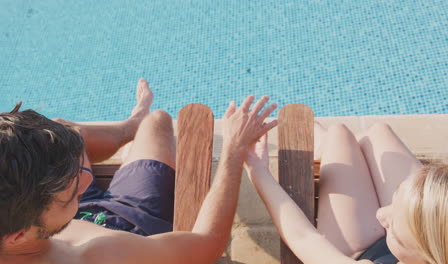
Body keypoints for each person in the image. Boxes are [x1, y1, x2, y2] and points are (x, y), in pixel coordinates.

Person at [0, 78, 278, 264]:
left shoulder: (19, 230)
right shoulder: (104, 254)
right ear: (19, 235)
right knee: (157, 121)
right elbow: (208, 244)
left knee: (70, 133)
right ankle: (139, 124)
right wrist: (234, 149)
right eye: (71, 188)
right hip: (134, 226)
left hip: (68, 220)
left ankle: (131, 126)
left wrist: (65, 190)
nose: (84, 177)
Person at [245, 122, 448, 264]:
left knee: (339, 134)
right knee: (378, 132)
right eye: (397, 195)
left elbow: (303, 238)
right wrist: (399, 226)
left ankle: (333, 144)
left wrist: (257, 169)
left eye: (392, 227)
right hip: (404, 247)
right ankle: (340, 145)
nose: (381, 214)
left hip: (361, 252)